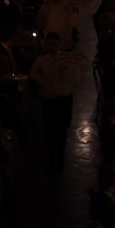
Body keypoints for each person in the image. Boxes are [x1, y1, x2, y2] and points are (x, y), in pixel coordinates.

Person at [30, 31, 80, 173]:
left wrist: (67, 71)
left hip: (63, 98)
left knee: (62, 130)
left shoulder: (66, 58)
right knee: (50, 130)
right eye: (49, 43)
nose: (52, 46)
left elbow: (75, 79)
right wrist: (43, 81)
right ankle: (52, 157)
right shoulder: (41, 60)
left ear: (59, 44)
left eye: (54, 43)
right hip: (49, 98)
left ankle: (59, 157)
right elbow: (33, 73)